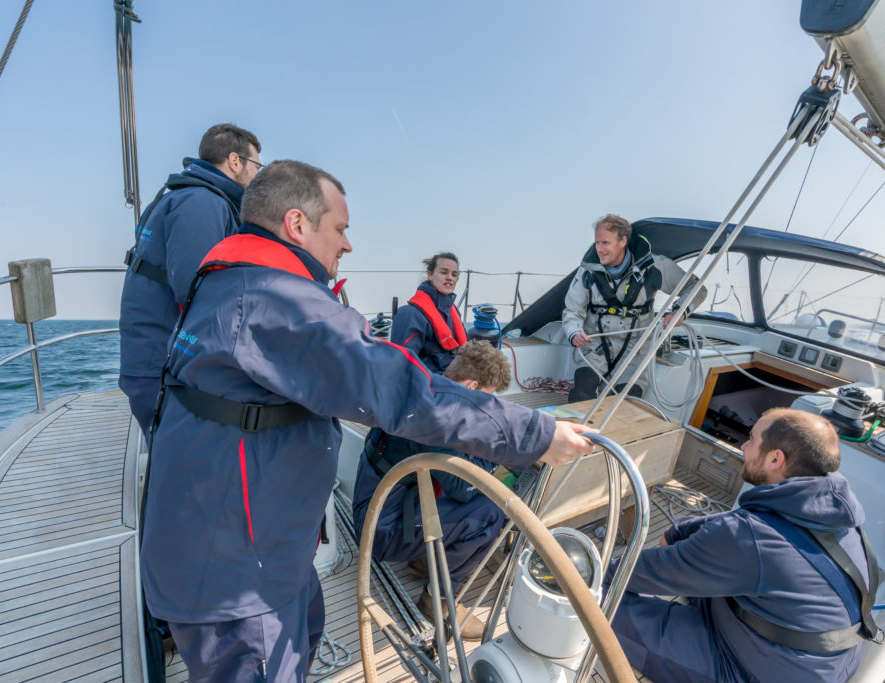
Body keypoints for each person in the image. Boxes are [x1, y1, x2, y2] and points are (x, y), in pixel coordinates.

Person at [139, 160, 595, 682]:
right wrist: (533, 435)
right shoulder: (275, 300)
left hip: (247, 543)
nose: (348, 245)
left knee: (304, 634)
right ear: (296, 224)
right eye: (340, 228)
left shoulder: (226, 282)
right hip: (238, 573)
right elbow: (394, 385)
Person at [608, 408, 880, 682]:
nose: (743, 446)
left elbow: (639, 574)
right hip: (813, 660)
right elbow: (734, 525)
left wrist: (593, 575)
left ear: (775, 459)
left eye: (751, 439)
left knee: (604, 600)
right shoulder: (833, 512)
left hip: (755, 670)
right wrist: (679, 531)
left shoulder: (748, 538)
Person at [352, 340, 514, 640]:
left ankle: (422, 561)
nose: (485, 408)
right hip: (381, 529)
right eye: (486, 399)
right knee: (490, 512)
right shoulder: (436, 421)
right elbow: (463, 489)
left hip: (378, 503)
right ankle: (436, 599)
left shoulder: (430, 388)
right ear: (471, 384)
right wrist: (498, 461)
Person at [118, 123, 262, 434]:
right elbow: (198, 291)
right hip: (165, 366)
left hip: (153, 359)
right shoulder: (202, 202)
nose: (257, 176)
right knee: (182, 470)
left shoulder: (181, 195)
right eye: (256, 166)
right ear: (235, 161)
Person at [562, 214, 706, 403]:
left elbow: (697, 288)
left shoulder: (655, 266)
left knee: (625, 402)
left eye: (605, 243)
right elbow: (572, 309)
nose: (599, 249)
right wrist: (574, 332)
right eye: (597, 243)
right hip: (596, 343)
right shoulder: (588, 270)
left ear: (623, 241)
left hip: (635, 348)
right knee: (582, 390)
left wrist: (678, 311)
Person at [392, 252, 465, 373]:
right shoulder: (410, 314)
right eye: (444, 272)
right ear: (430, 274)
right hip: (430, 386)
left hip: (455, 379)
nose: (450, 277)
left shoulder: (454, 312)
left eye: (454, 274)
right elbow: (402, 368)